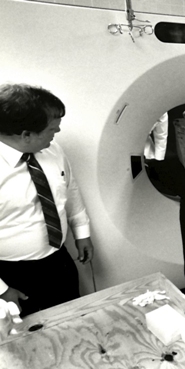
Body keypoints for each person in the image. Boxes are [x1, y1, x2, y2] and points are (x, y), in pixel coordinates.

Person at [0, 83, 94, 317]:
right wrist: (1, 290)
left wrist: (82, 233)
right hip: (12, 274)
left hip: (58, 261)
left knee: (71, 319)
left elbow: (70, 190)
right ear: (26, 135)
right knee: (27, 338)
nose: (58, 133)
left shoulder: (52, 150)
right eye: (52, 129)